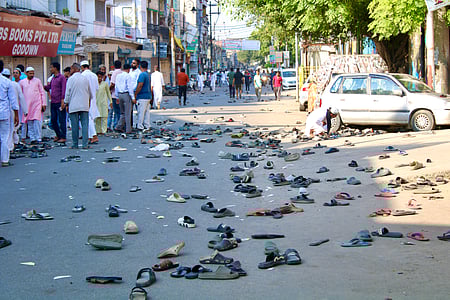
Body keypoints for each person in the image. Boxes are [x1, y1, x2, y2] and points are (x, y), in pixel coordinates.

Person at [63, 63, 92, 149]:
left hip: (73, 105)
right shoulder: (85, 79)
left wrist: (66, 103)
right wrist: (88, 102)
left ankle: (75, 144)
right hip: (84, 105)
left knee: (75, 126)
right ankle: (85, 144)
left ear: (74, 69)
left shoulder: (70, 79)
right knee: (85, 125)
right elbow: (89, 92)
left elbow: (67, 93)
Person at [19, 66, 46, 144]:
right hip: (27, 106)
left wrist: (43, 104)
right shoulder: (22, 82)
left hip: (37, 104)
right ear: (26, 73)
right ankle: (32, 139)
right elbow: (20, 94)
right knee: (29, 122)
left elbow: (42, 92)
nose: (32, 75)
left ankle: (38, 138)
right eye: (30, 73)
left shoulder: (37, 81)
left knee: (37, 122)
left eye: (33, 73)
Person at [0, 62, 18, 167]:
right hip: (4, 112)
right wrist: (16, 114)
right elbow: (13, 100)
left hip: (4, 112)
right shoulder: (7, 82)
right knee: (5, 137)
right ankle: (5, 160)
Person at [44, 62, 67, 143]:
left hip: (59, 101)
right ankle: (58, 134)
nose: (50, 69)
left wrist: (62, 101)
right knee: (53, 120)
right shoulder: (53, 78)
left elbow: (64, 90)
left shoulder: (61, 78)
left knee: (62, 120)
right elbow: (48, 88)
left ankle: (63, 136)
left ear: (55, 68)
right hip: (53, 101)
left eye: (51, 67)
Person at [80, 60, 99, 144]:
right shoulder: (94, 75)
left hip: (85, 98)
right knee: (91, 117)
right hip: (93, 98)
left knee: (88, 118)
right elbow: (97, 88)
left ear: (82, 67)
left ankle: (93, 136)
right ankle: (89, 136)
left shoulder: (82, 75)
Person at [9, 68, 28, 149]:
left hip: (14, 109)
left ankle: (13, 144)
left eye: (16, 73)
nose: (15, 74)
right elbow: (20, 97)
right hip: (13, 109)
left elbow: (21, 97)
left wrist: (24, 110)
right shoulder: (13, 84)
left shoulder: (17, 83)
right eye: (14, 73)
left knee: (12, 129)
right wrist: (25, 110)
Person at [115, 64, 135, 133]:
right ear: (128, 69)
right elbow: (129, 87)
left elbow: (116, 86)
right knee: (128, 113)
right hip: (126, 94)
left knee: (122, 112)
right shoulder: (128, 76)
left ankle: (118, 126)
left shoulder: (118, 76)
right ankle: (128, 129)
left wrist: (117, 96)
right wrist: (133, 97)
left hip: (120, 94)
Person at [134, 61, 151, 130]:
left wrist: (135, 94)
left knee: (141, 112)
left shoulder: (142, 75)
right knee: (146, 112)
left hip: (142, 96)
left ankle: (140, 125)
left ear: (140, 66)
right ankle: (147, 125)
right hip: (148, 96)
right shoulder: (148, 74)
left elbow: (140, 85)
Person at [95, 70, 112, 135]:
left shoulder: (105, 84)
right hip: (96, 102)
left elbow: (108, 93)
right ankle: (98, 131)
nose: (99, 78)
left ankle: (104, 131)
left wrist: (110, 101)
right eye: (98, 77)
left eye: (100, 77)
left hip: (104, 102)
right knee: (97, 118)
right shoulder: (94, 84)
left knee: (104, 117)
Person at [108, 60, 122, 131]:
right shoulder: (122, 72)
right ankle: (119, 125)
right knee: (120, 112)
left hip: (114, 95)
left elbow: (112, 84)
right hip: (121, 94)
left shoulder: (114, 73)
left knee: (116, 112)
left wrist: (109, 90)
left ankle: (116, 125)